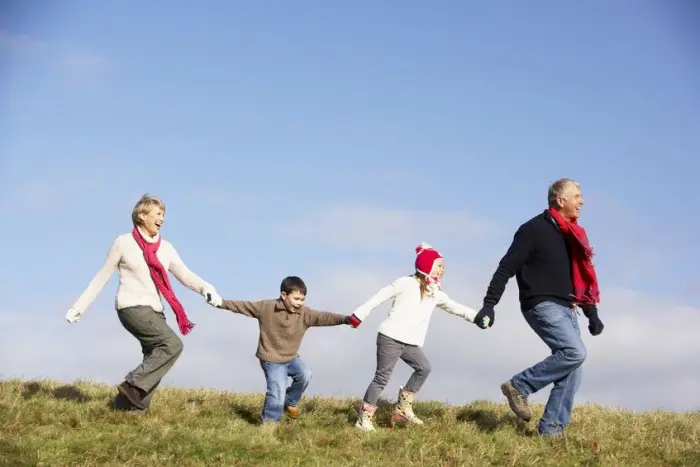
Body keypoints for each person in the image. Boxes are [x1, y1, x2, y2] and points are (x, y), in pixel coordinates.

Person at [65, 194, 222, 412]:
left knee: (154, 357)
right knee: (172, 345)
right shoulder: (124, 242)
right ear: (142, 215)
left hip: (155, 310)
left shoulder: (165, 248)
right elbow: (102, 276)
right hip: (131, 307)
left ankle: (129, 409)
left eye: (164, 214)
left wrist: (207, 288)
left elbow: (184, 274)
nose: (162, 219)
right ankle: (132, 385)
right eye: (158, 213)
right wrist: (78, 307)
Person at [473, 178, 604, 437]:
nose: (582, 201)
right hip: (541, 304)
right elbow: (505, 268)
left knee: (572, 368)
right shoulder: (532, 230)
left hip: (568, 306)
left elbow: (578, 277)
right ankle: (519, 386)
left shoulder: (573, 235)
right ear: (560, 199)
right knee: (574, 352)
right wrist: (489, 305)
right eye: (576, 195)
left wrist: (592, 313)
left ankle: (551, 431)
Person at [347, 243, 478, 432]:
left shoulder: (435, 293)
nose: (443, 270)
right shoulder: (405, 283)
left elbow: (455, 307)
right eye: (439, 265)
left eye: (443, 267)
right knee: (382, 378)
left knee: (424, 368)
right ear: (427, 266)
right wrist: (359, 314)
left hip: (409, 343)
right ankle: (364, 419)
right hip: (390, 337)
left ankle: (401, 410)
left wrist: (477, 317)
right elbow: (379, 296)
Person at [206, 275, 356, 426]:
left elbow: (324, 317)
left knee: (305, 374)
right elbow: (243, 306)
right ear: (284, 295)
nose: (300, 303)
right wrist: (220, 303)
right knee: (277, 392)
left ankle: (290, 401)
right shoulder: (266, 307)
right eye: (296, 299)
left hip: (291, 358)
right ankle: (269, 424)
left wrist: (346, 319)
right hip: (271, 359)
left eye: (302, 299)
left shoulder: (305, 314)